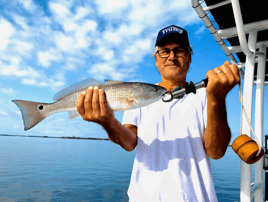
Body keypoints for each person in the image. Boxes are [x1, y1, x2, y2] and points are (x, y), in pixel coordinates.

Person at [76, 25, 240, 201]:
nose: (171, 56)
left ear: (189, 57)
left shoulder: (208, 94)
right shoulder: (138, 95)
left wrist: (217, 98)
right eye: (164, 51)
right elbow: (130, 143)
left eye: (179, 50)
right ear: (156, 59)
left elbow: (216, 152)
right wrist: (108, 121)